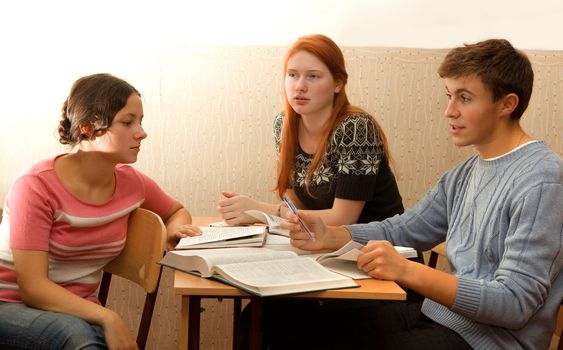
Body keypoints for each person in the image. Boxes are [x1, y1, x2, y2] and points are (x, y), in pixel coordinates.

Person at [275, 39, 563, 350]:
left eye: (464, 99)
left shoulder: (542, 179)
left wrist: (406, 270)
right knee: (290, 321)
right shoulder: (465, 173)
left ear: (507, 104)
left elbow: (514, 303)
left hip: (487, 341)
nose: (449, 111)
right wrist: (332, 235)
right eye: (450, 96)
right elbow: (404, 229)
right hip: (439, 317)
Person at [0, 73, 201, 349]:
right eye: (128, 122)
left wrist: (175, 229)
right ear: (86, 128)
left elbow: (176, 210)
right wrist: (109, 318)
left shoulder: (132, 184)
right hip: (9, 303)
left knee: (83, 336)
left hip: (76, 312)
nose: (142, 132)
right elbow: (33, 288)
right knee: (81, 338)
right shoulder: (35, 186)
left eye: (140, 121)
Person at [218, 34, 404, 226]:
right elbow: (297, 208)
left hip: (381, 249)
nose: (299, 86)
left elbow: (343, 220)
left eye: (313, 76)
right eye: (292, 75)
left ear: (338, 83)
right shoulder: (283, 124)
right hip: (323, 246)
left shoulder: (356, 128)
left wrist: (260, 211)